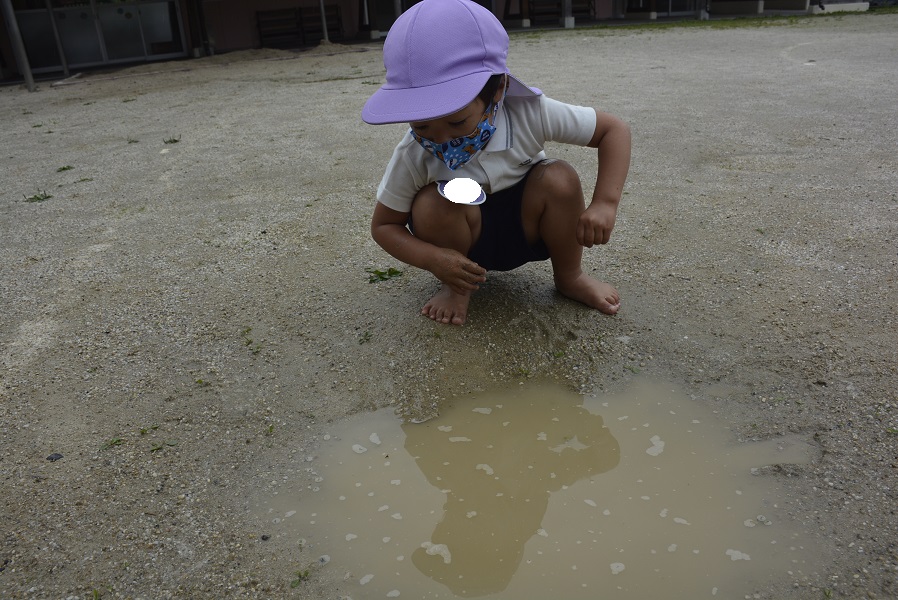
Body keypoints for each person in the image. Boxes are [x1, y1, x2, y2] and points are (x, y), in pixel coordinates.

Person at [362, 0, 631, 326]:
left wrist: (605, 202)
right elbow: (384, 225)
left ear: (498, 90)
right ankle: (457, 289)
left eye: (458, 121)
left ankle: (570, 276)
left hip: (527, 226)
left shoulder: (528, 111)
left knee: (559, 178)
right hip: (462, 244)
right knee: (433, 203)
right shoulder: (414, 153)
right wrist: (433, 258)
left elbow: (612, 131)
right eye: (421, 126)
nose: (441, 138)